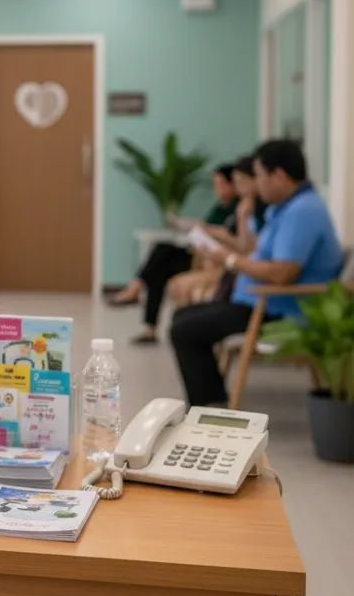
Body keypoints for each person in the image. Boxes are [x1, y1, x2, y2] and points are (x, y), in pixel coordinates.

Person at [170, 140, 344, 406]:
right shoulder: (286, 208)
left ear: (280, 175)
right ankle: (212, 401)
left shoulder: (302, 212)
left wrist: (229, 260)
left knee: (185, 329)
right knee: (183, 317)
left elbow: (283, 274)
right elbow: (260, 254)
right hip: (258, 302)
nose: (257, 183)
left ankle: (211, 407)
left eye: (260, 175)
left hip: (276, 311)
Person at [108, 164, 238, 344]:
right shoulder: (219, 207)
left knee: (160, 257)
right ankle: (148, 326)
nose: (217, 189)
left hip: (209, 260)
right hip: (199, 252)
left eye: (220, 184)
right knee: (158, 264)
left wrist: (207, 230)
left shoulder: (237, 210)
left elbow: (230, 237)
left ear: (233, 184)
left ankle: (136, 289)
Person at [167, 156, 268, 308]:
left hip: (240, 268)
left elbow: (247, 250)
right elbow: (244, 246)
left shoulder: (261, 211)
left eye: (241, 182)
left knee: (189, 290)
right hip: (230, 263)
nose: (238, 188)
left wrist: (224, 237)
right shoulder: (241, 208)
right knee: (176, 284)